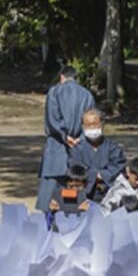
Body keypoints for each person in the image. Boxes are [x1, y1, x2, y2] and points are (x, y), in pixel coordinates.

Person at [39, 65, 96, 209]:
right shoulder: (87, 95)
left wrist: (65, 137)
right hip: (80, 151)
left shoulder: (54, 92)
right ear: (76, 78)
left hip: (56, 151)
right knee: (77, 200)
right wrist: (80, 139)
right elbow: (92, 123)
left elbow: (51, 121)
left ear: (61, 77)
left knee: (50, 201)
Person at [66, 107, 127, 200]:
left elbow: (118, 165)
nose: (91, 127)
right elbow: (75, 167)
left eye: (94, 124)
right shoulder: (77, 149)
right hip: (84, 194)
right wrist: (94, 175)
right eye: (88, 125)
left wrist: (102, 175)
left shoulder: (113, 147)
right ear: (82, 127)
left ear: (102, 124)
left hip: (110, 193)